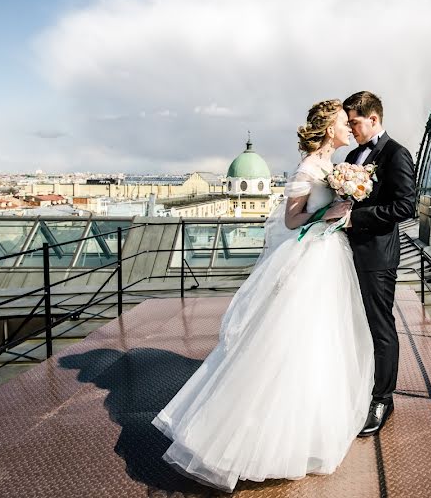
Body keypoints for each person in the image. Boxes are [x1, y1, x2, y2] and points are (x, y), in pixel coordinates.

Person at [152, 99, 374, 492]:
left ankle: (305, 433)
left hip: (329, 260)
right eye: (343, 121)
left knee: (319, 344)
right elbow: (291, 219)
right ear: (328, 129)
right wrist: (329, 213)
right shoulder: (309, 167)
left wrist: (344, 205)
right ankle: (250, 441)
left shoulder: (333, 167)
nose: (349, 126)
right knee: (286, 344)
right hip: (310, 260)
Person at [332, 90, 416, 436]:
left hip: (377, 257)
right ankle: (362, 387)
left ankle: (383, 398)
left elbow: (405, 207)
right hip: (348, 254)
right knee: (356, 323)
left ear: (374, 119)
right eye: (348, 123)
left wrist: (357, 219)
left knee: (380, 327)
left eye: (354, 122)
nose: (351, 129)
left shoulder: (397, 154)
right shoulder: (353, 155)